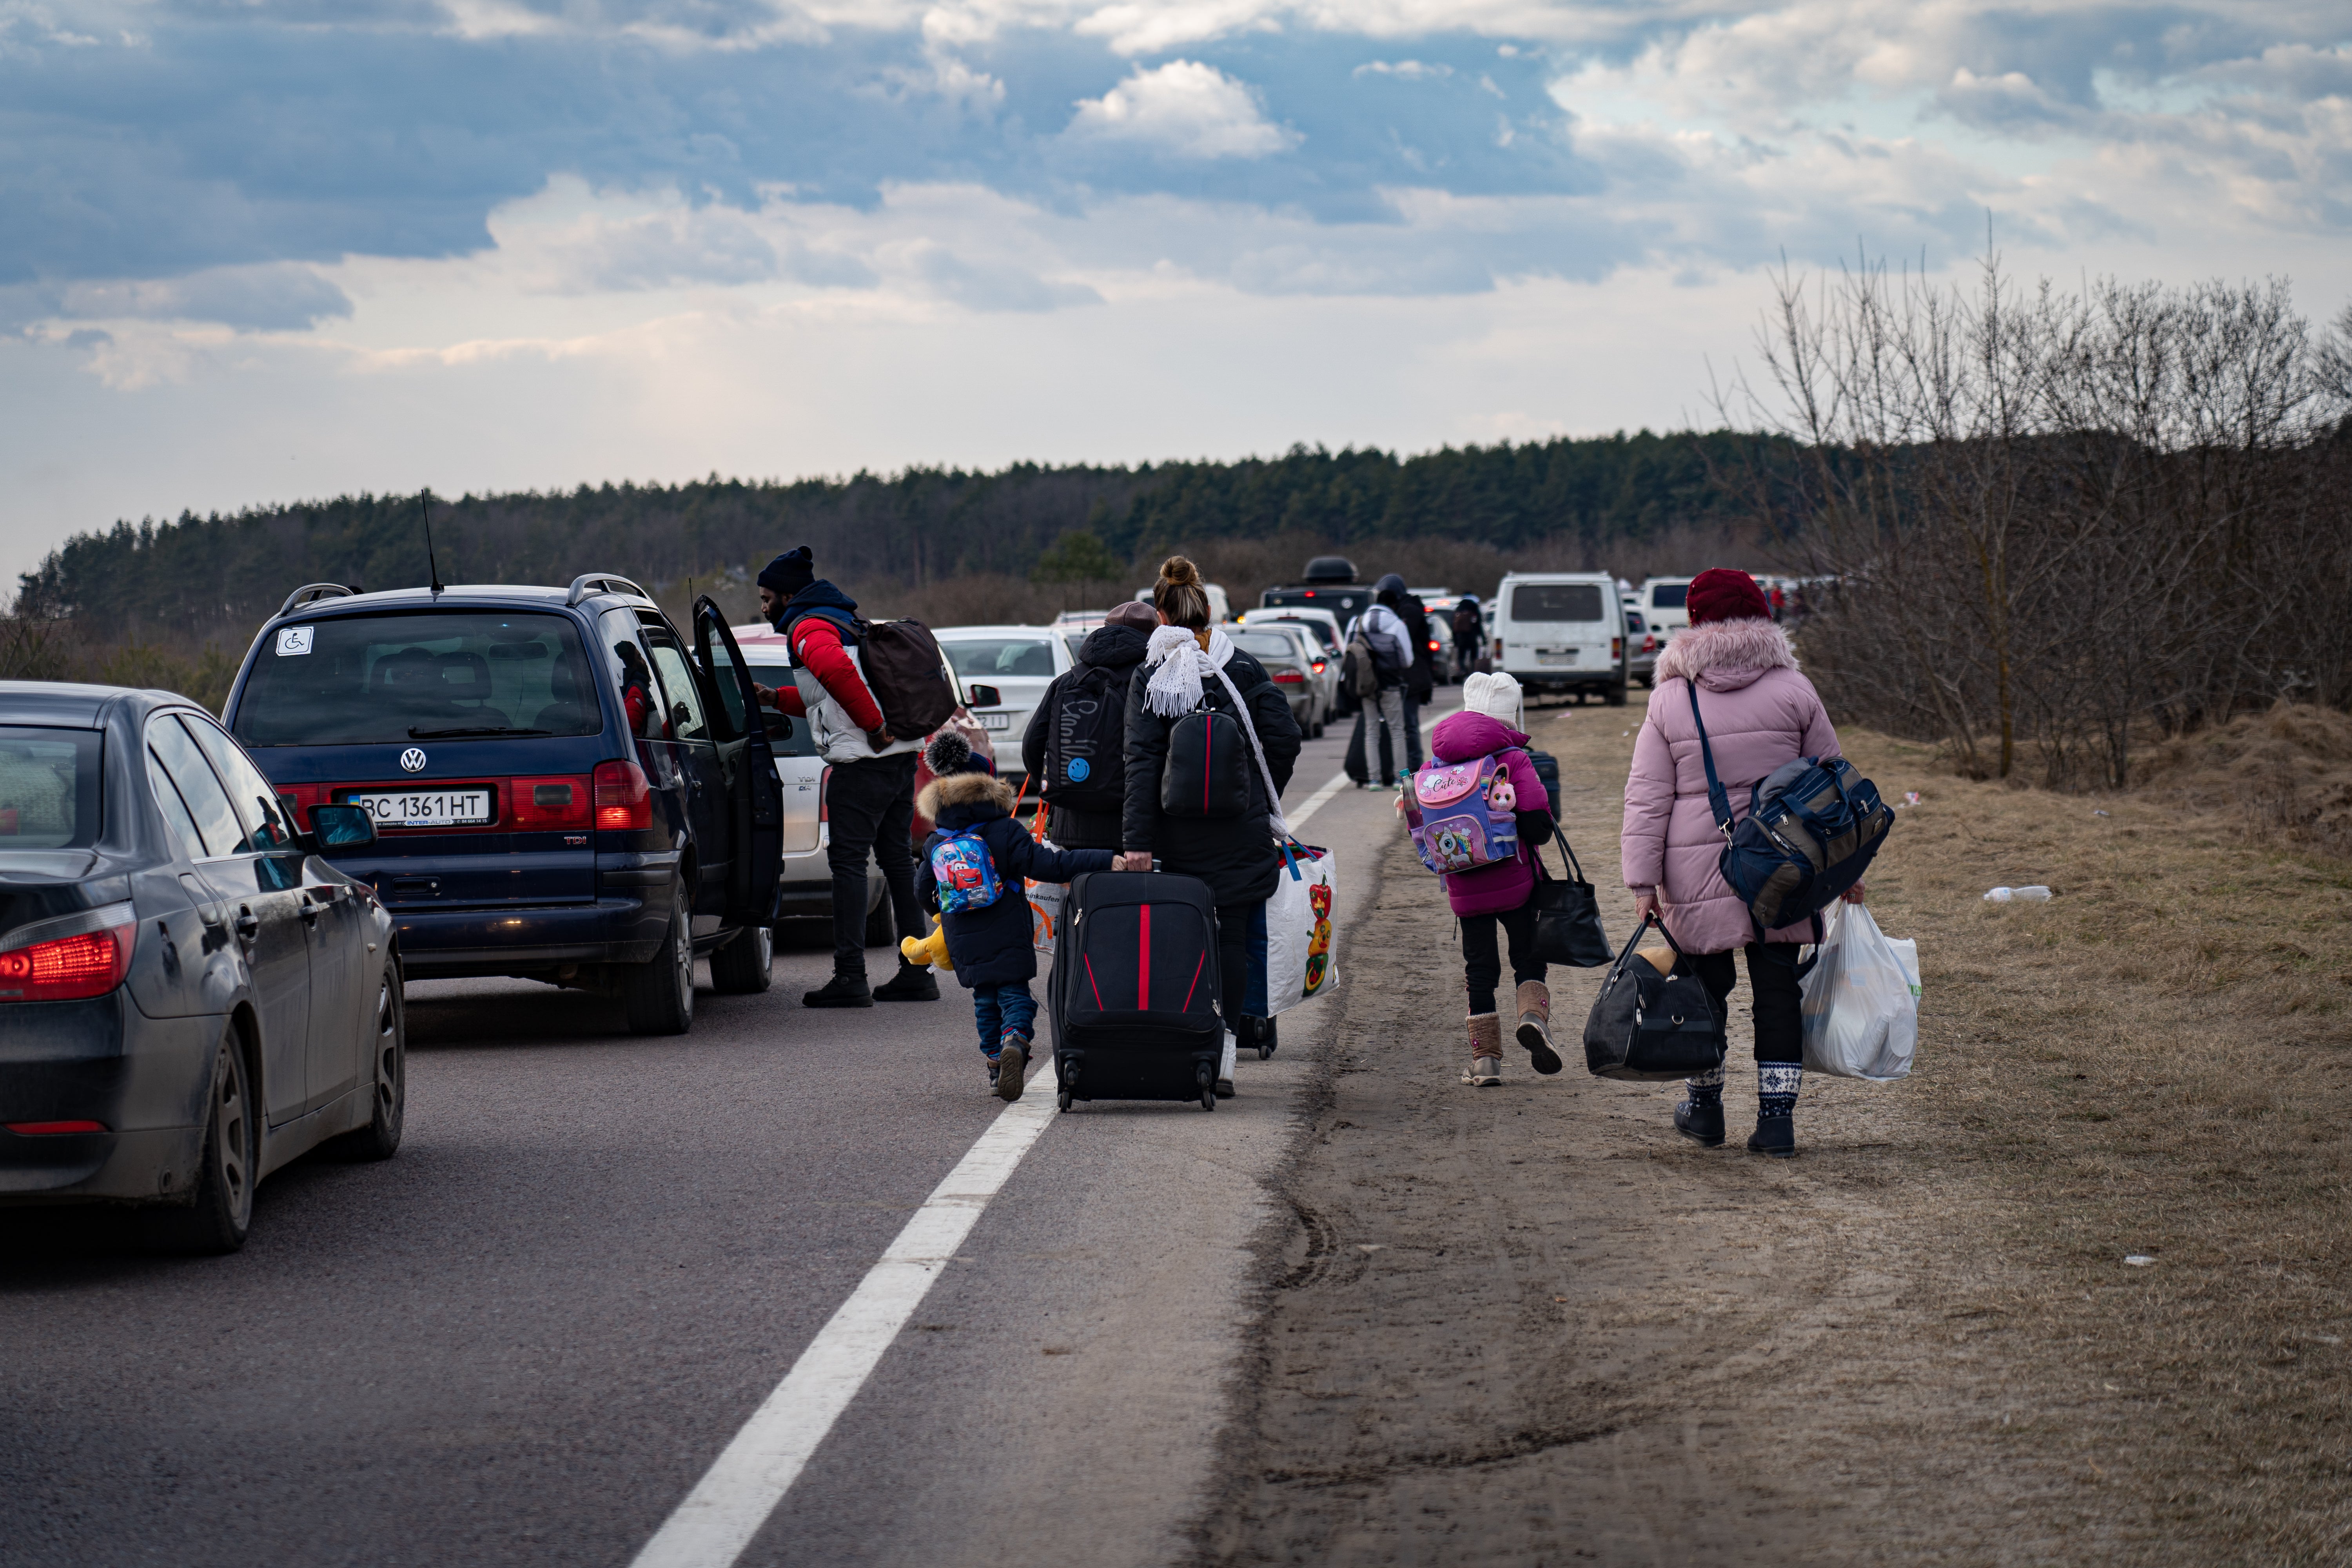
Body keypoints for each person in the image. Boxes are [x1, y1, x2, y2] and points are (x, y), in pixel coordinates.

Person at [1619, 568, 1862, 1158]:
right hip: (1786, 867)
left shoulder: (1671, 697)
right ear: (1760, 616)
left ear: (1696, 621)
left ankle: (1705, 1111)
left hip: (1696, 866)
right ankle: (1776, 1123)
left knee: (1703, 991)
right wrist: (1849, 873)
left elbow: (1648, 796)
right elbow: (1837, 789)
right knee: (1778, 990)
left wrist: (1643, 880)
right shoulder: (1795, 690)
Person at [1114, 556, 1303, 1096]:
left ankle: (1189, 1042)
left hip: (1176, 837)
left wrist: (1138, 842)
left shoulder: (1151, 678)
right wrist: (1262, 799)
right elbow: (1284, 739)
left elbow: (1141, 763)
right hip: (1240, 835)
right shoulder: (1240, 667)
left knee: (1183, 938)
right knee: (1235, 942)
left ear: (1160, 614)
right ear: (1208, 611)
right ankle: (1225, 1052)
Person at [752, 546, 937, 1009]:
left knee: (849, 863)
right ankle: (917, 971)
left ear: (787, 594)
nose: (763, 607)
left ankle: (850, 975)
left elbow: (835, 673)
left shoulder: (808, 625)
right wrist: (777, 698)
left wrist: (874, 726)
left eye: (766, 597)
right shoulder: (845, 619)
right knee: (896, 860)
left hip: (864, 761)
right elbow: (826, 696)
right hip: (899, 759)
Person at [915, 732, 1112, 1101]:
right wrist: (1104, 859)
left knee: (984, 1000)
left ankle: (995, 1065)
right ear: (989, 788)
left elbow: (922, 889)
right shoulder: (1006, 830)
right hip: (1007, 928)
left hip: (962, 933)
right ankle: (1016, 1040)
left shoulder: (937, 840)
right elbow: (1052, 865)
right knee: (1016, 995)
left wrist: (942, 914)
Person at [1421, 671, 1562, 1086]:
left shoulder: (1434, 766)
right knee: (1528, 956)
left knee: (1479, 970)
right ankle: (1532, 1016)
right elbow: (1539, 828)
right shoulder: (1513, 760)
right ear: (1509, 714)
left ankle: (1485, 1063)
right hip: (1517, 881)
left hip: (1465, 887)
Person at [1021, 601, 1157, 850]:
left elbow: (1032, 744)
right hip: (1130, 829)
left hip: (1069, 824)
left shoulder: (1067, 682)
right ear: (1153, 636)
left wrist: (1059, 783)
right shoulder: (1153, 683)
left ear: (1104, 629)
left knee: (1078, 888)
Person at [1344, 583, 1414, 788]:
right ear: (1392, 605)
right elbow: (1407, 661)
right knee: (1397, 731)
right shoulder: (1397, 625)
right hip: (1391, 684)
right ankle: (1399, 778)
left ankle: (1374, 779)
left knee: (1371, 730)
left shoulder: (1357, 622)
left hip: (1367, 685)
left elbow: (1349, 652)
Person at [1387, 575, 1435, 771]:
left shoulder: (1409, 611)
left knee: (1410, 724)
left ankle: (1415, 767)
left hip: (1414, 676)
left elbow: (1402, 639)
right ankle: (1409, 765)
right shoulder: (1409, 609)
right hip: (1413, 675)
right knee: (1407, 724)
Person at [1452, 595, 1483, 679]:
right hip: (1472, 637)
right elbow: (1479, 625)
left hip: (1461, 638)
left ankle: (1463, 670)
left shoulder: (1459, 609)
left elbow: (1454, 626)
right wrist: (1483, 639)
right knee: (1474, 656)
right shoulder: (1474, 609)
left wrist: (1455, 640)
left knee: (1461, 656)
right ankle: (1473, 673)